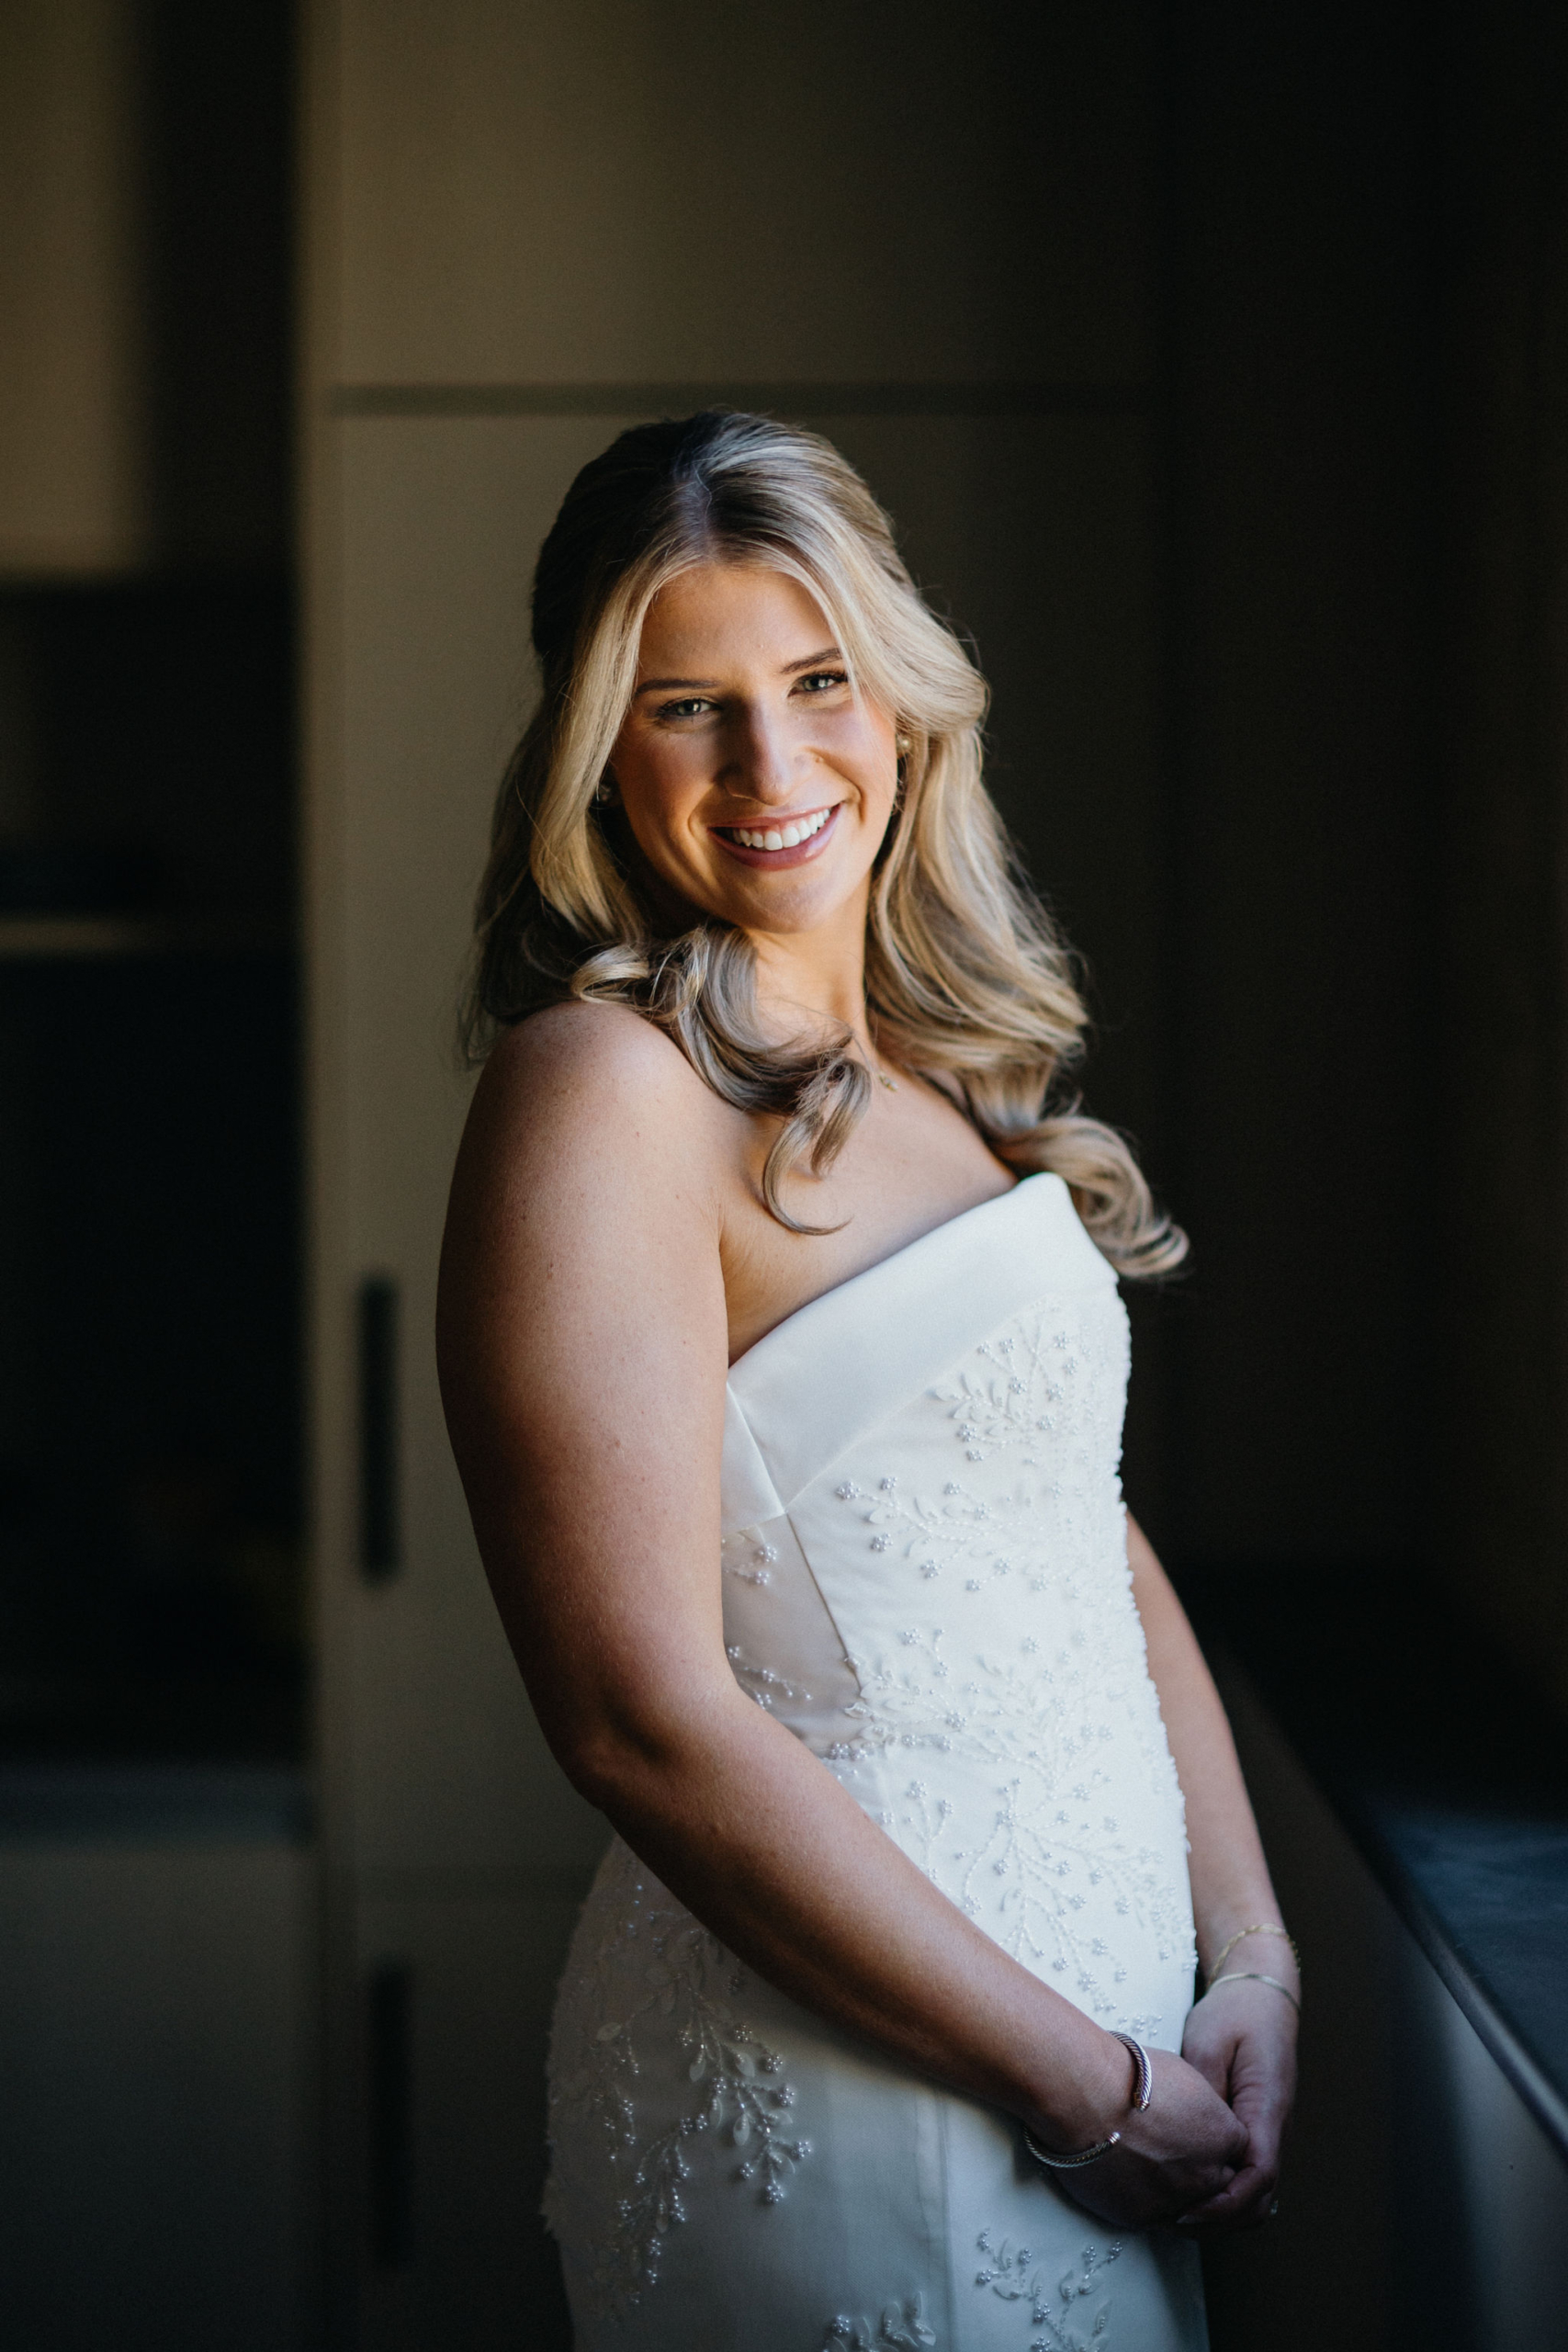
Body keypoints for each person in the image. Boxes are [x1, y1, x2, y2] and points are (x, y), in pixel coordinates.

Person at [437, 411, 1298, 2350]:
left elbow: (1084, 1541)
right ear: (597, 745)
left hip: (1112, 2057)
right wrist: (1069, 2084)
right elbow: (631, 1711)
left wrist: (1247, 1958)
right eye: (686, 706)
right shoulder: (602, 1095)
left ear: (899, 700)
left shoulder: (930, 1073)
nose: (769, 765)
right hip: (850, 2080)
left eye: (815, 678)